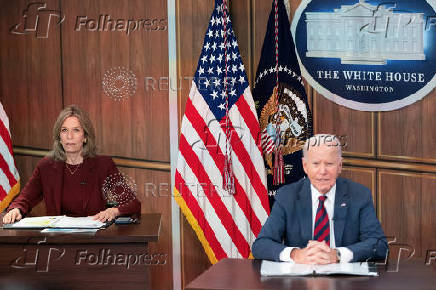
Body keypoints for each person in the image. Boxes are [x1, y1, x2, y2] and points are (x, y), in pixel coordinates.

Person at [252, 134, 387, 264]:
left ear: (340, 166)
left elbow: (379, 245)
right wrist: (296, 254)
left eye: (329, 164)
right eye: (316, 164)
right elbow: (261, 245)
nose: (322, 171)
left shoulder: (360, 195)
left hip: (345, 280)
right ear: (305, 166)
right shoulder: (287, 196)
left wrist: (338, 255)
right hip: (299, 280)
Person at [3, 105, 141, 224]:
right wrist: (16, 209)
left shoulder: (103, 165)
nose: (69, 136)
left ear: (85, 137)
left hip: (96, 238)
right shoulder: (46, 166)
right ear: (59, 137)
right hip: (59, 241)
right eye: (64, 130)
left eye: (76, 130)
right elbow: (25, 198)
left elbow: (133, 203)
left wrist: (114, 211)